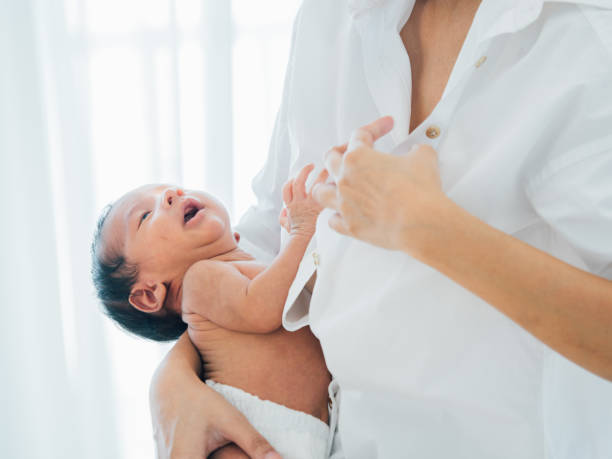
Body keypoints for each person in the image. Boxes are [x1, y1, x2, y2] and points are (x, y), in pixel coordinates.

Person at [150, 0, 612, 458]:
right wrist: (174, 379)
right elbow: (264, 237)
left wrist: (433, 231)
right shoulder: (328, 17)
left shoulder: (588, 44)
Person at [91, 170, 340, 458]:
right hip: (254, 428)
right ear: (149, 294)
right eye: (145, 216)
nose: (172, 194)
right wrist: (301, 231)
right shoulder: (200, 280)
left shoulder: (244, 269)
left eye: (172, 188)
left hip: (298, 433)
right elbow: (261, 308)